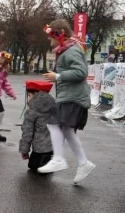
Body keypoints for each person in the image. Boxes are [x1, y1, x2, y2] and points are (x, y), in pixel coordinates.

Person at [37, 20, 95, 183]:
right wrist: (57, 77)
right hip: (71, 96)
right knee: (67, 130)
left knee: (53, 123)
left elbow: (81, 72)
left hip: (73, 97)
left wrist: (58, 76)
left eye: (50, 37)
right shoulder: (66, 50)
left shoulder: (71, 51)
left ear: (60, 33)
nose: (49, 40)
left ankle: (58, 159)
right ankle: (84, 163)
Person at [19, 80, 55, 173]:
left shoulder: (32, 111)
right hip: (54, 146)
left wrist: (25, 150)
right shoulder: (54, 105)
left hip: (39, 147)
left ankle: (47, 161)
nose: (28, 98)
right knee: (33, 166)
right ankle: (50, 159)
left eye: (29, 96)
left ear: (36, 94)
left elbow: (27, 132)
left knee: (34, 167)